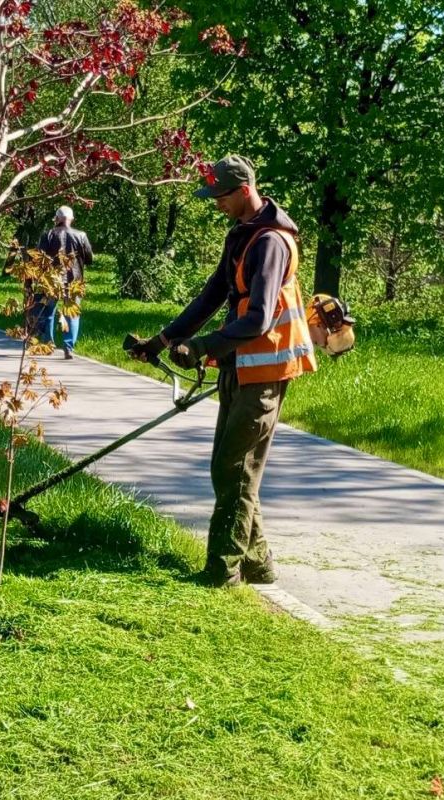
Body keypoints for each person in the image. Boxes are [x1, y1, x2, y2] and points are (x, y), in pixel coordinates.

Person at [129, 155, 318, 587]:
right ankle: (258, 562)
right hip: (242, 366)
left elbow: (260, 319)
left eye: (221, 196)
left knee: (234, 468)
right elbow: (212, 295)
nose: (217, 204)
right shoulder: (242, 236)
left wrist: (202, 347)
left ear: (244, 190)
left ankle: (222, 569)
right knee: (233, 467)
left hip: (266, 371)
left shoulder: (270, 242)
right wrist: (159, 342)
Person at [29, 205, 93, 359]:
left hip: (52, 280)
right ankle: (68, 347)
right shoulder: (81, 235)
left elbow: (39, 259)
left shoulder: (48, 235)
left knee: (49, 312)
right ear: (71, 219)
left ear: (57, 219)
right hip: (74, 281)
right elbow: (89, 258)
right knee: (72, 314)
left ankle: (49, 343)